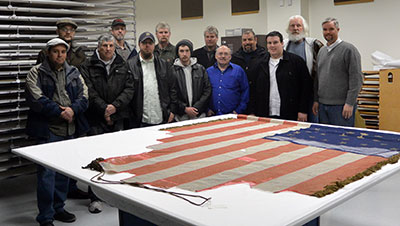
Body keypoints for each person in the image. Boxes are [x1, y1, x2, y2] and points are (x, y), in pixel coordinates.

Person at [25, 38, 89, 226]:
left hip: (69, 129)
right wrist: (61, 112)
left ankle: (59, 208)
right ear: (48, 53)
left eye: (63, 51)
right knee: (46, 175)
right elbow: (36, 99)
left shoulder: (74, 72)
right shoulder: (36, 72)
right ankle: (45, 216)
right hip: (47, 130)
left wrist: (73, 111)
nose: (59, 55)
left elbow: (84, 96)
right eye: (55, 51)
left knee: (63, 173)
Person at [36, 19, 88, 200]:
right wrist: (59, 110)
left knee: (69, 161)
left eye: (71, 30)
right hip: (52, 116)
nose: (68, 32)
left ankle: (68, 193)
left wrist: (74, 109)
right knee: (49, 169)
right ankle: (49, 210)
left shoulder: (80, 54)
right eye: (64, 29)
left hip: (74, 112)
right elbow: (42, 86)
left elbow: (83, 83)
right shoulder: (45, 53)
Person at [248, 31, 311, 121]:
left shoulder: (296, 62)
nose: (272, 46)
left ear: (282, 43)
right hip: (264, 113)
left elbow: (305, 88)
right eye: (269, 43)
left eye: (275, 42)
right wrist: (252, 111)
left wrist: (303, 111)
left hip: (289, 113)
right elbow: (253, 89)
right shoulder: (259, 64)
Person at [312, 17, 363, 127]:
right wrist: (316, 100)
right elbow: (318, 78)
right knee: (325, 140)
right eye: (325, 29)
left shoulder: (349, 50)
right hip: (322, 106)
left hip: (341, 107)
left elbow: (356, 79)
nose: (328, 32)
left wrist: (350, 103)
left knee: (343, 141)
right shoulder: (321, 51)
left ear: (338, 30)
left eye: (331, 29)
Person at [80, 34, 134, 135]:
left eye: (111, 46)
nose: (108, 49)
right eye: (105, 46)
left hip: (119, 116)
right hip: (96, 118)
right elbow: (89, 90)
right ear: (99, 47)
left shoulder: (123, 64)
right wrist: (104, 109)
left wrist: (114, 106)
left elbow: (129, 89)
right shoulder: (87, 66)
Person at [127, 32, 178, 128]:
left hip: (161, 117)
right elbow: (127, 92)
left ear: (154, 45)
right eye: (144, 43)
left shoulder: (164, 65)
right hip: (139, 120)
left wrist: (172, 110)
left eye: (150, 43)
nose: (147, 46)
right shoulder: (130, 65)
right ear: (139, 45)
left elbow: (172, 89)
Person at [284, 15, 323, 122]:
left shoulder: (314, 45)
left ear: (303, 28)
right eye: (292, 26)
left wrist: (316, 98)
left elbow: (319, 73)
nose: (295, 28)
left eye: (298, 25)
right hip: (289, 96)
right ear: (288, 29)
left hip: (309, 95)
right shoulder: (284, 45)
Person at [171, 39, 212, 121]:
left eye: (187, 51)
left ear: (191, 52)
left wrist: (196, 107)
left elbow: (207, 89)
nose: (184, 54)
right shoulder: (172, 71)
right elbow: (172, 93)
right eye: (181, 51)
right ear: (178, 53)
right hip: (180, 116)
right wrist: (185, 108)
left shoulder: (200, 69)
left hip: (199, 114)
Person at [207, 45, 249, 116]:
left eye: (226, 54)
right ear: (215, 56)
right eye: (220, 54)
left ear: (230, 57)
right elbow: (204, 92)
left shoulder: (238, 71)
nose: (223, 56)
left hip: (233, 115)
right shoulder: (208, 71)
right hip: (212, 115)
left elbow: (245, 91)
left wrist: (238, 110)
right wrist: (207, 109)